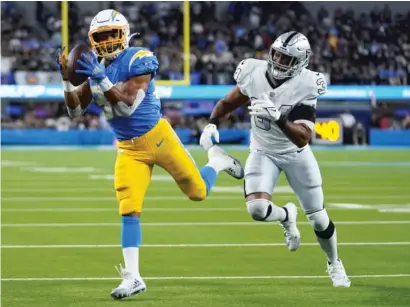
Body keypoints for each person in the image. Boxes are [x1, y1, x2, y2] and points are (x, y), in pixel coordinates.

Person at [55, 9, 244, 300]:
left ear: (123, 34)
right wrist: (67, 80)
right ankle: (133, 277)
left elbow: (128, 104)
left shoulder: (138, 58)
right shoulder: (95, 67)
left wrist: (101, 78)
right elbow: (75, 110)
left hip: (158, 138)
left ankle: (216, 162)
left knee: (197, 192)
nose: (106, 42)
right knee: (128, 207)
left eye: (111, 35)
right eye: (100, 37)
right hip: (128, 147)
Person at [200, 31, 351, 288]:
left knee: (317, 217)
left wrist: (278, 117)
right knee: (257, 210)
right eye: (277, 54)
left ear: (301, 62)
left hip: (295, 154)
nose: (279, 60)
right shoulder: (253, 71)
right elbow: (229, 101)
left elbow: (302, 138)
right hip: (262, 151)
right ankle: (285, 216)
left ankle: (334, 262)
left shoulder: (307, 83)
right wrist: (212, 123)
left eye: (287, 57)